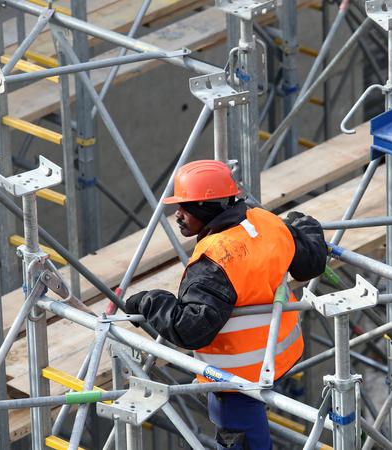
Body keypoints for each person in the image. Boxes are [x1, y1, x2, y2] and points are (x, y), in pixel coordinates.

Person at [124, 160, 326, 449]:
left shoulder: (217, 261)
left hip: (237, 380)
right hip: (280, 357)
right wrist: (303, 225)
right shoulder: (266, 223)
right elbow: (312, 261)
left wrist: (148, 302)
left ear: (207, 209)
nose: (177, 215)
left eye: (185, 208)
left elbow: (190, 329)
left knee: (243, 441)